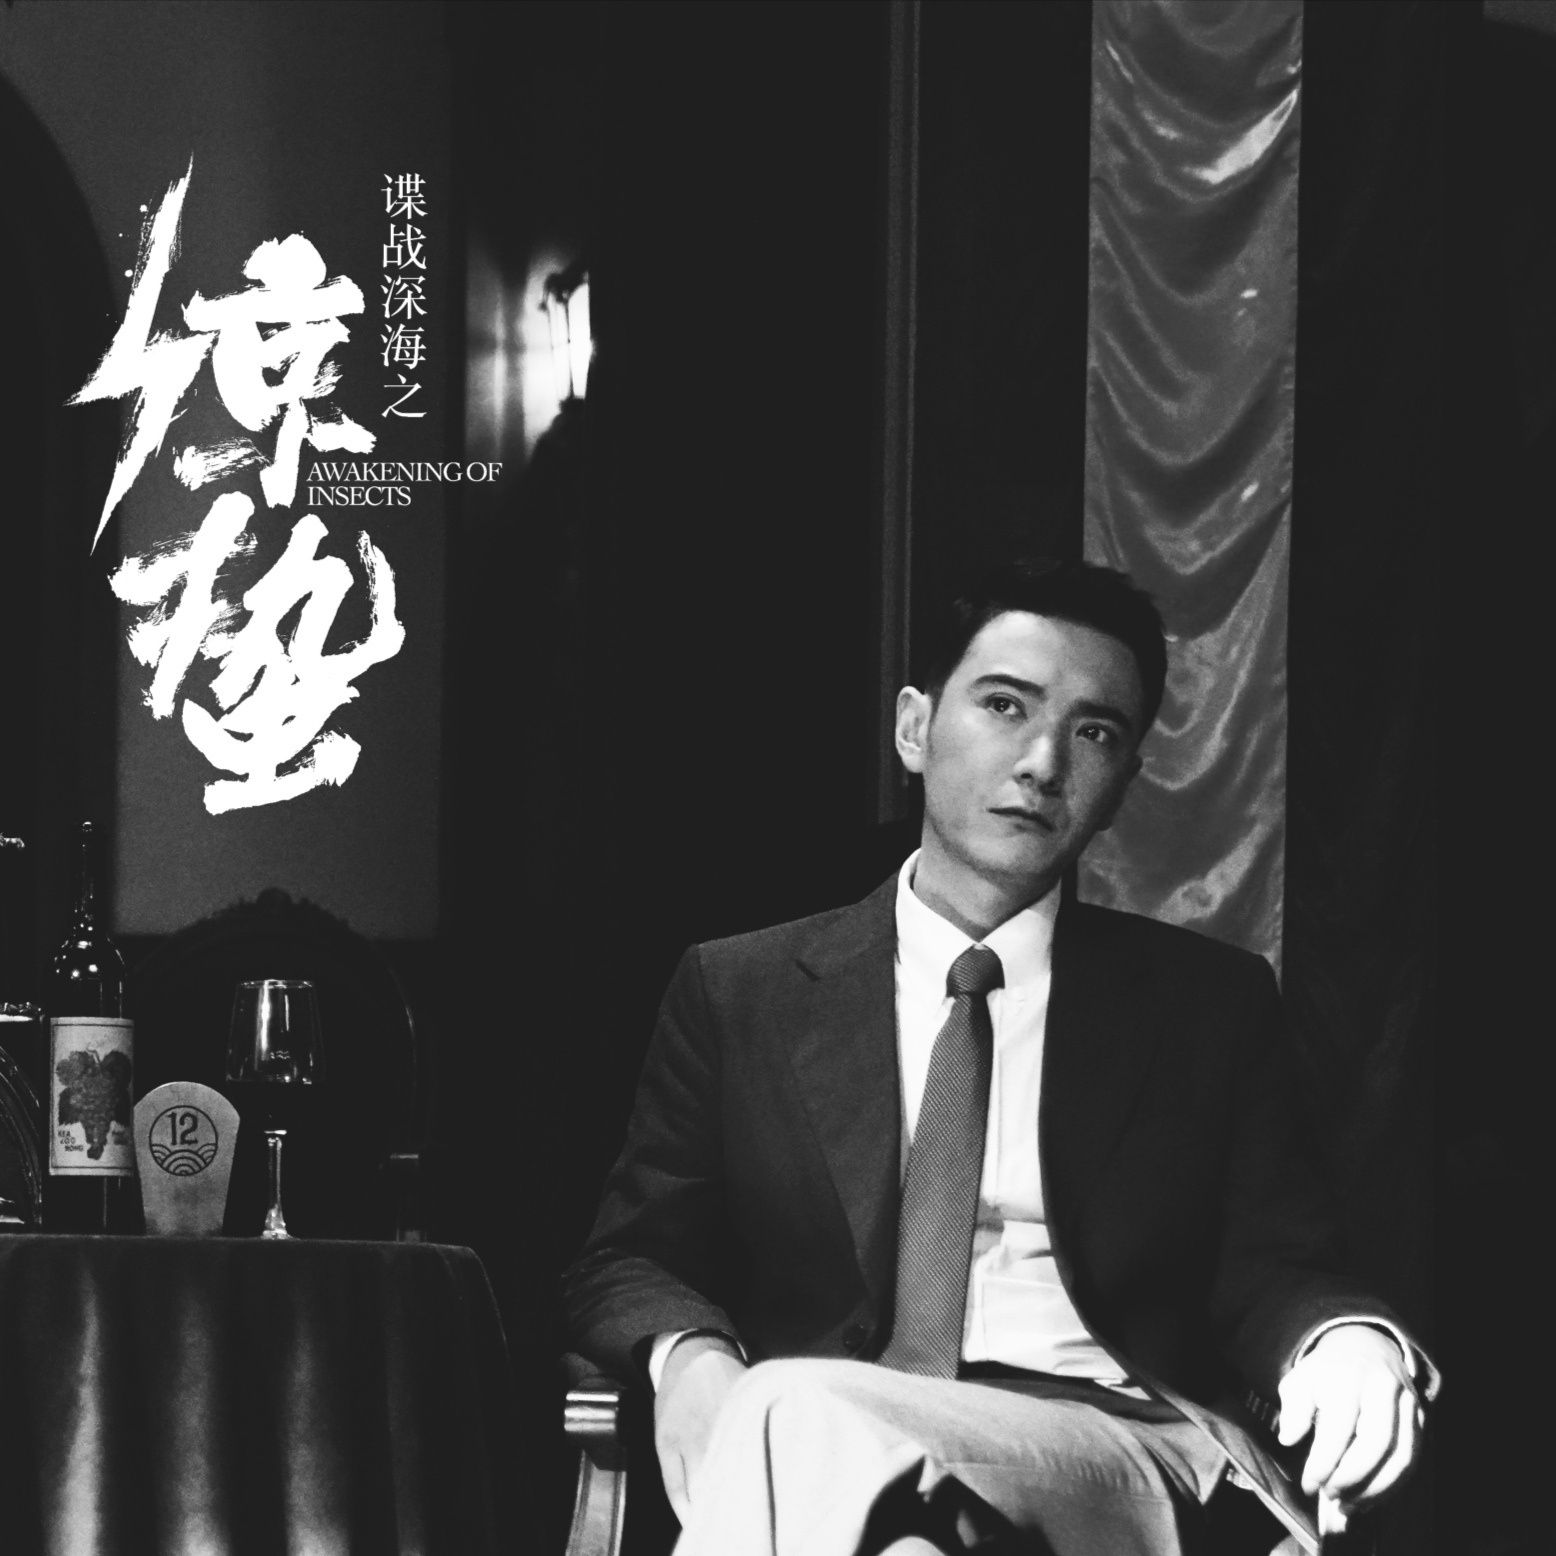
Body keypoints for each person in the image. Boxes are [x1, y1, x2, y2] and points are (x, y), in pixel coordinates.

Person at [562, 558, 1435, 1556]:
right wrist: (687, 1354)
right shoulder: (740, 988)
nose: (1042, 762)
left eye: (1094, 732)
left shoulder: (1208, 1005)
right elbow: (627, 1258)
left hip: (1115, 1444)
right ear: (913, 727)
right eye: (1005, 705)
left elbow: (1275, 1264)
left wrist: (1343, 1338)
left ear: (1123, 785)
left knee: (789, 1410)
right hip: (837, 1455)